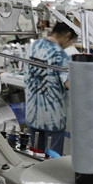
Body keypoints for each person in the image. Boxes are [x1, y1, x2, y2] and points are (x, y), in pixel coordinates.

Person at [23, 22, 77, 155]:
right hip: (52, 119)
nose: (69, 46)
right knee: (52, 159)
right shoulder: (59, 54)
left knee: (36, 156)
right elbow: (69, 84)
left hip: (32, 114)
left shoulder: (33, 45)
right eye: (71, 42)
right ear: (67, 35)